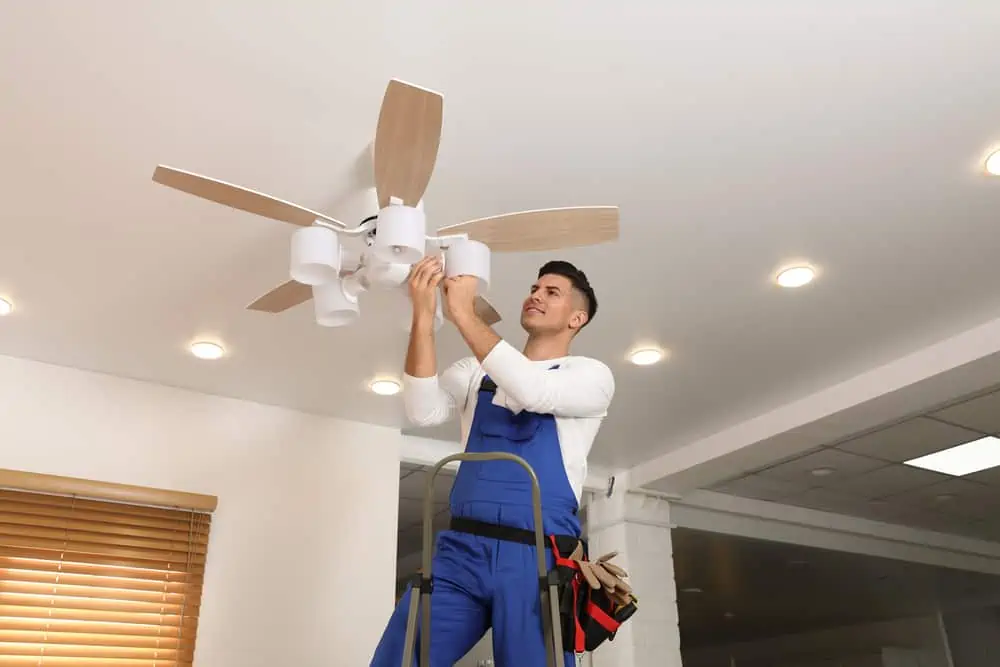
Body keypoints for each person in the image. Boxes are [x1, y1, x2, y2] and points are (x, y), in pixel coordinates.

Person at [370, 255, 615, 667]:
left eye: (551, 292)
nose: (535, 295)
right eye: (535, 288)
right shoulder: (473, 373)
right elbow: (422, 409)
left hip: (536, 559)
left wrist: (464, 312)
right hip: (461, 551)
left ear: (577, 319)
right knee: (400, 656)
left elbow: (533, 391)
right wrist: (424, 316)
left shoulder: (589, 376)